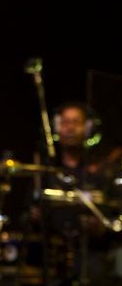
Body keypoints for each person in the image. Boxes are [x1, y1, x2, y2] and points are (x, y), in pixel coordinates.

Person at [30, 102, 121, 286]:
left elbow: (116, 213)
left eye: (76, 122)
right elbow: (27, 215)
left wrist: (102, 227)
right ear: (57, 127)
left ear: (88, 128)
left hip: (94, 255)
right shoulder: (47, 172)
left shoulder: (102, 172)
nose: (70, 128)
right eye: (65, 122)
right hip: (52, 255)